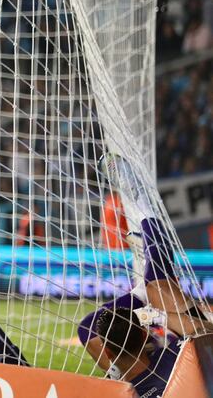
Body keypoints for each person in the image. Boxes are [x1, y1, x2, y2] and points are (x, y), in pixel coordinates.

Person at [77, 154, 213, 397]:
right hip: (190, 362)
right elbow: (204, 330)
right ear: (145, 333)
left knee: (157, 292)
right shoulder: (175, 359)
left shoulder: (127, 390)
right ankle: (142, 203)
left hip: (133, 373)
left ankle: (142, 289)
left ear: (108, 352)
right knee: (162, 292)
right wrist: (154, 315)